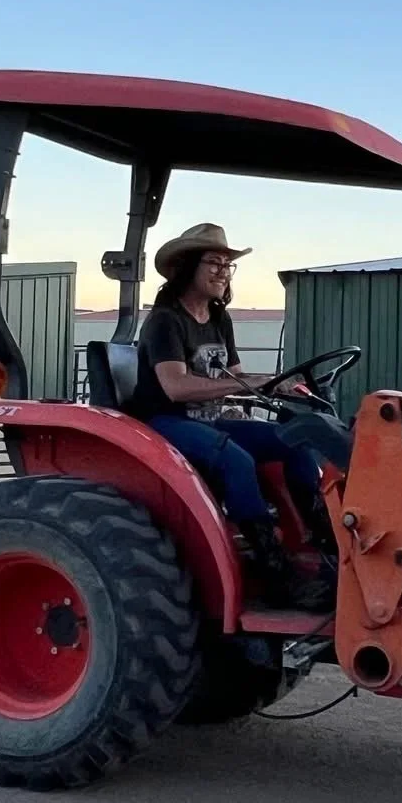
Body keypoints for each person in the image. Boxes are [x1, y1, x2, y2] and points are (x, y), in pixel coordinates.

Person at [127, 223, 325, 603]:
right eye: (214, 262)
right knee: (237, 461)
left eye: (227, 264)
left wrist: (277, 381)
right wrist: (246, 385)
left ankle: (322, 540)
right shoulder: (166, 321)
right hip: (165, 423)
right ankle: (274, 571)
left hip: (208, 420)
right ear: (187, 267)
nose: (222, 271)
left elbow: (236, 376)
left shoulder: (219, 319)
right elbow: (176, 387)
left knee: (298, 436)